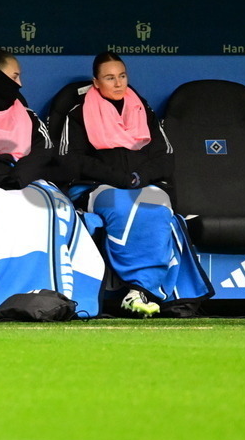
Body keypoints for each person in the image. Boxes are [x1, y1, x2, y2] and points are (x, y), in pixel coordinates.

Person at [0, 47, 106, 317]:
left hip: (24, 181)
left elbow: (43, 149)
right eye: (14, 76)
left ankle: (55, 293)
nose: (20, 83)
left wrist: (19, 176)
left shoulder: (22, 108)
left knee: (54, 208)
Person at [57, 51, 212, 316]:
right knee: (122, 204)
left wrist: (139, 178)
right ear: (96, 82)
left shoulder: (142, 108)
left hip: (144, 184)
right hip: (97, 187)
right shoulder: (78, 112)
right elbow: (71, 162)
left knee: (155, 207)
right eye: (109, 78)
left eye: (122, 76)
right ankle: (143, 288)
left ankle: (139, 292)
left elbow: (165, 157)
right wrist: (119, 179)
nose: (118, 83)